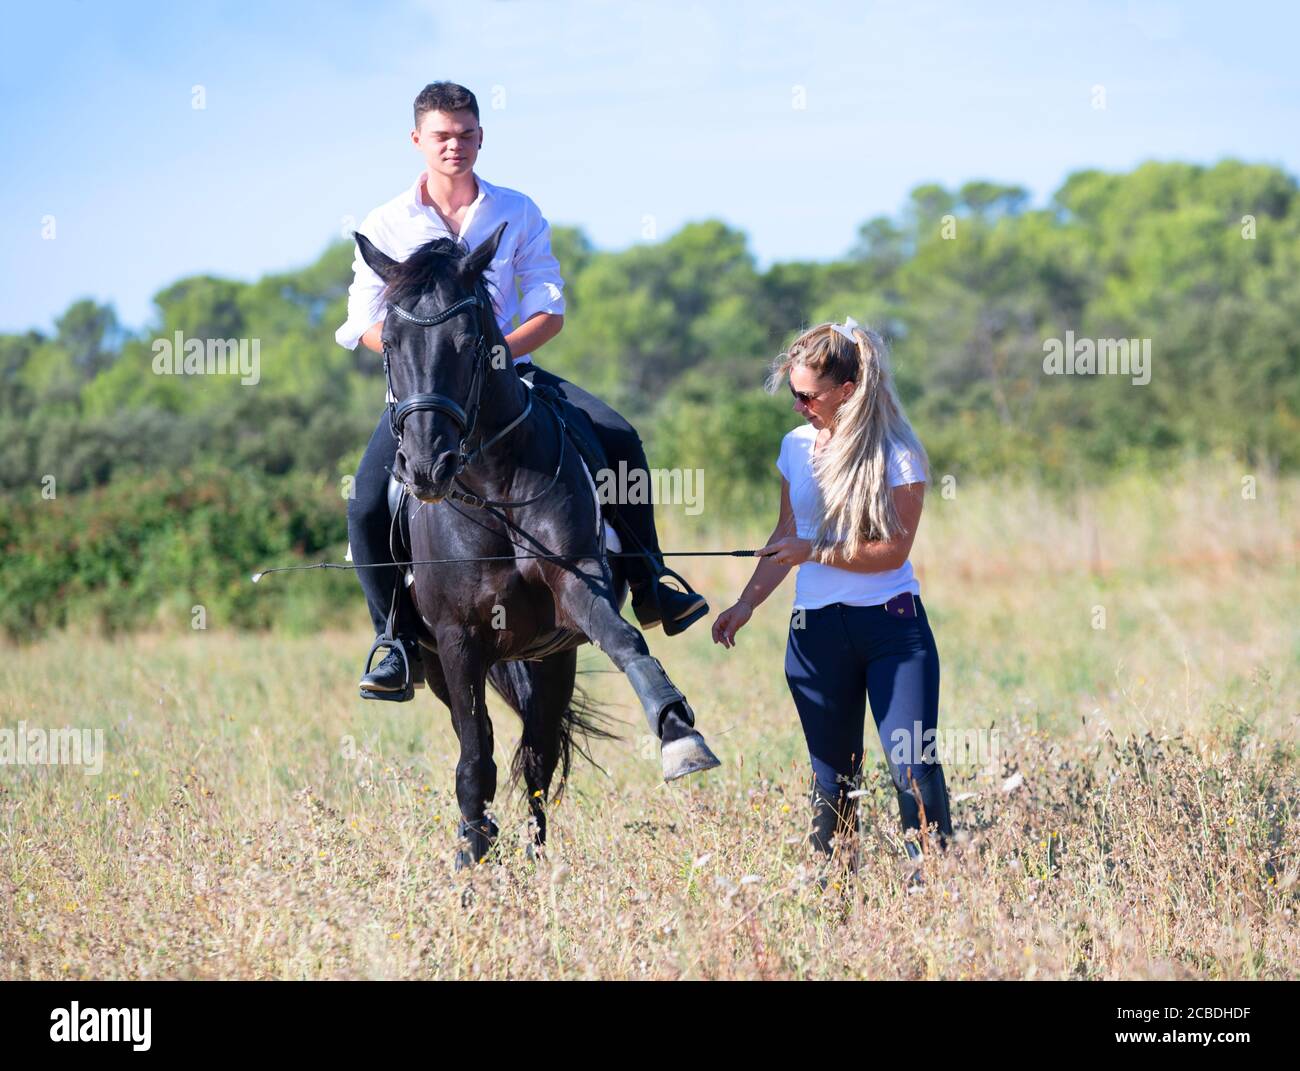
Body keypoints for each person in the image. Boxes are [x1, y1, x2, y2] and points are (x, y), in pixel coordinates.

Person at [336, 82, 709, 699]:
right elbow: (360, 321)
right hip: (427, 396)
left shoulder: (518, 211)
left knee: (619, 434)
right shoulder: (386, 224)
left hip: (510, 376)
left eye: (465, 134)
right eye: (441, 136)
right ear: (417, 141)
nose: (454, 145)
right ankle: (394, 640)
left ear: (481, 136)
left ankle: (649, 584)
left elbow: (549, 309)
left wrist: (492, 355)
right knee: (366, 503)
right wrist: (424, 356)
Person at [711, 317, 953, 888]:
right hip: (815, 635)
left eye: (807, 395)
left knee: (912, 768)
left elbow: (891, 553)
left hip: (893, 633)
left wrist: (812, 551)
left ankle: (935, 890)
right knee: (833, 780)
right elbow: (784, 536)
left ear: (847, 390)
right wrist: (746, 604)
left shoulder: (898, 453)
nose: (798, 406)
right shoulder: (795, 447)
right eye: (793, 393)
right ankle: (835, 892)